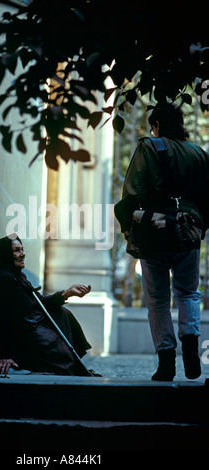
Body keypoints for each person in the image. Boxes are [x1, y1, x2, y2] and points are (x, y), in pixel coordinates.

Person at [114, 102, 209, 381]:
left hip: (154, 230)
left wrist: (127, 223)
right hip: (188, 230)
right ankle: (190, 342)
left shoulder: (150, 147)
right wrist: (199, 226)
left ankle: (166, 361)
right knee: (189, 292)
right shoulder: (199, 154)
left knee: (157, 299)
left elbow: (133, 190)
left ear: (156, 125)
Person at [0, 234, 93, 376]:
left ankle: (71, 363)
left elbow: (39, 302)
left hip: (30, 325)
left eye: (22, 249)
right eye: (17, 250)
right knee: (61, 356)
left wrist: (67, 293)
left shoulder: (18, 276)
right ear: (6, 254)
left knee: (62, 313)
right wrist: (3, 354)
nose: (22, 254)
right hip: (18, 334)